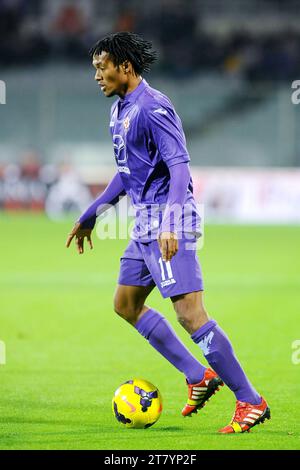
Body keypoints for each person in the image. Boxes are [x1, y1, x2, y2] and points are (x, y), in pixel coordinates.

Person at [66, 32, 270, 433]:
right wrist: (93, 212)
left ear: (125, 67)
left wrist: (172, 222)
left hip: (168, 220)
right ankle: (199, 375)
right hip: (144, 223)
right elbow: (127, 176)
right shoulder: (119, 111)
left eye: (101, 67)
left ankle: (250, 400)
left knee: (190, 314)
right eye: (94, 69)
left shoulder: (154, 107)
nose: (97, 76)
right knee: (125, 303)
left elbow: (179, 169)